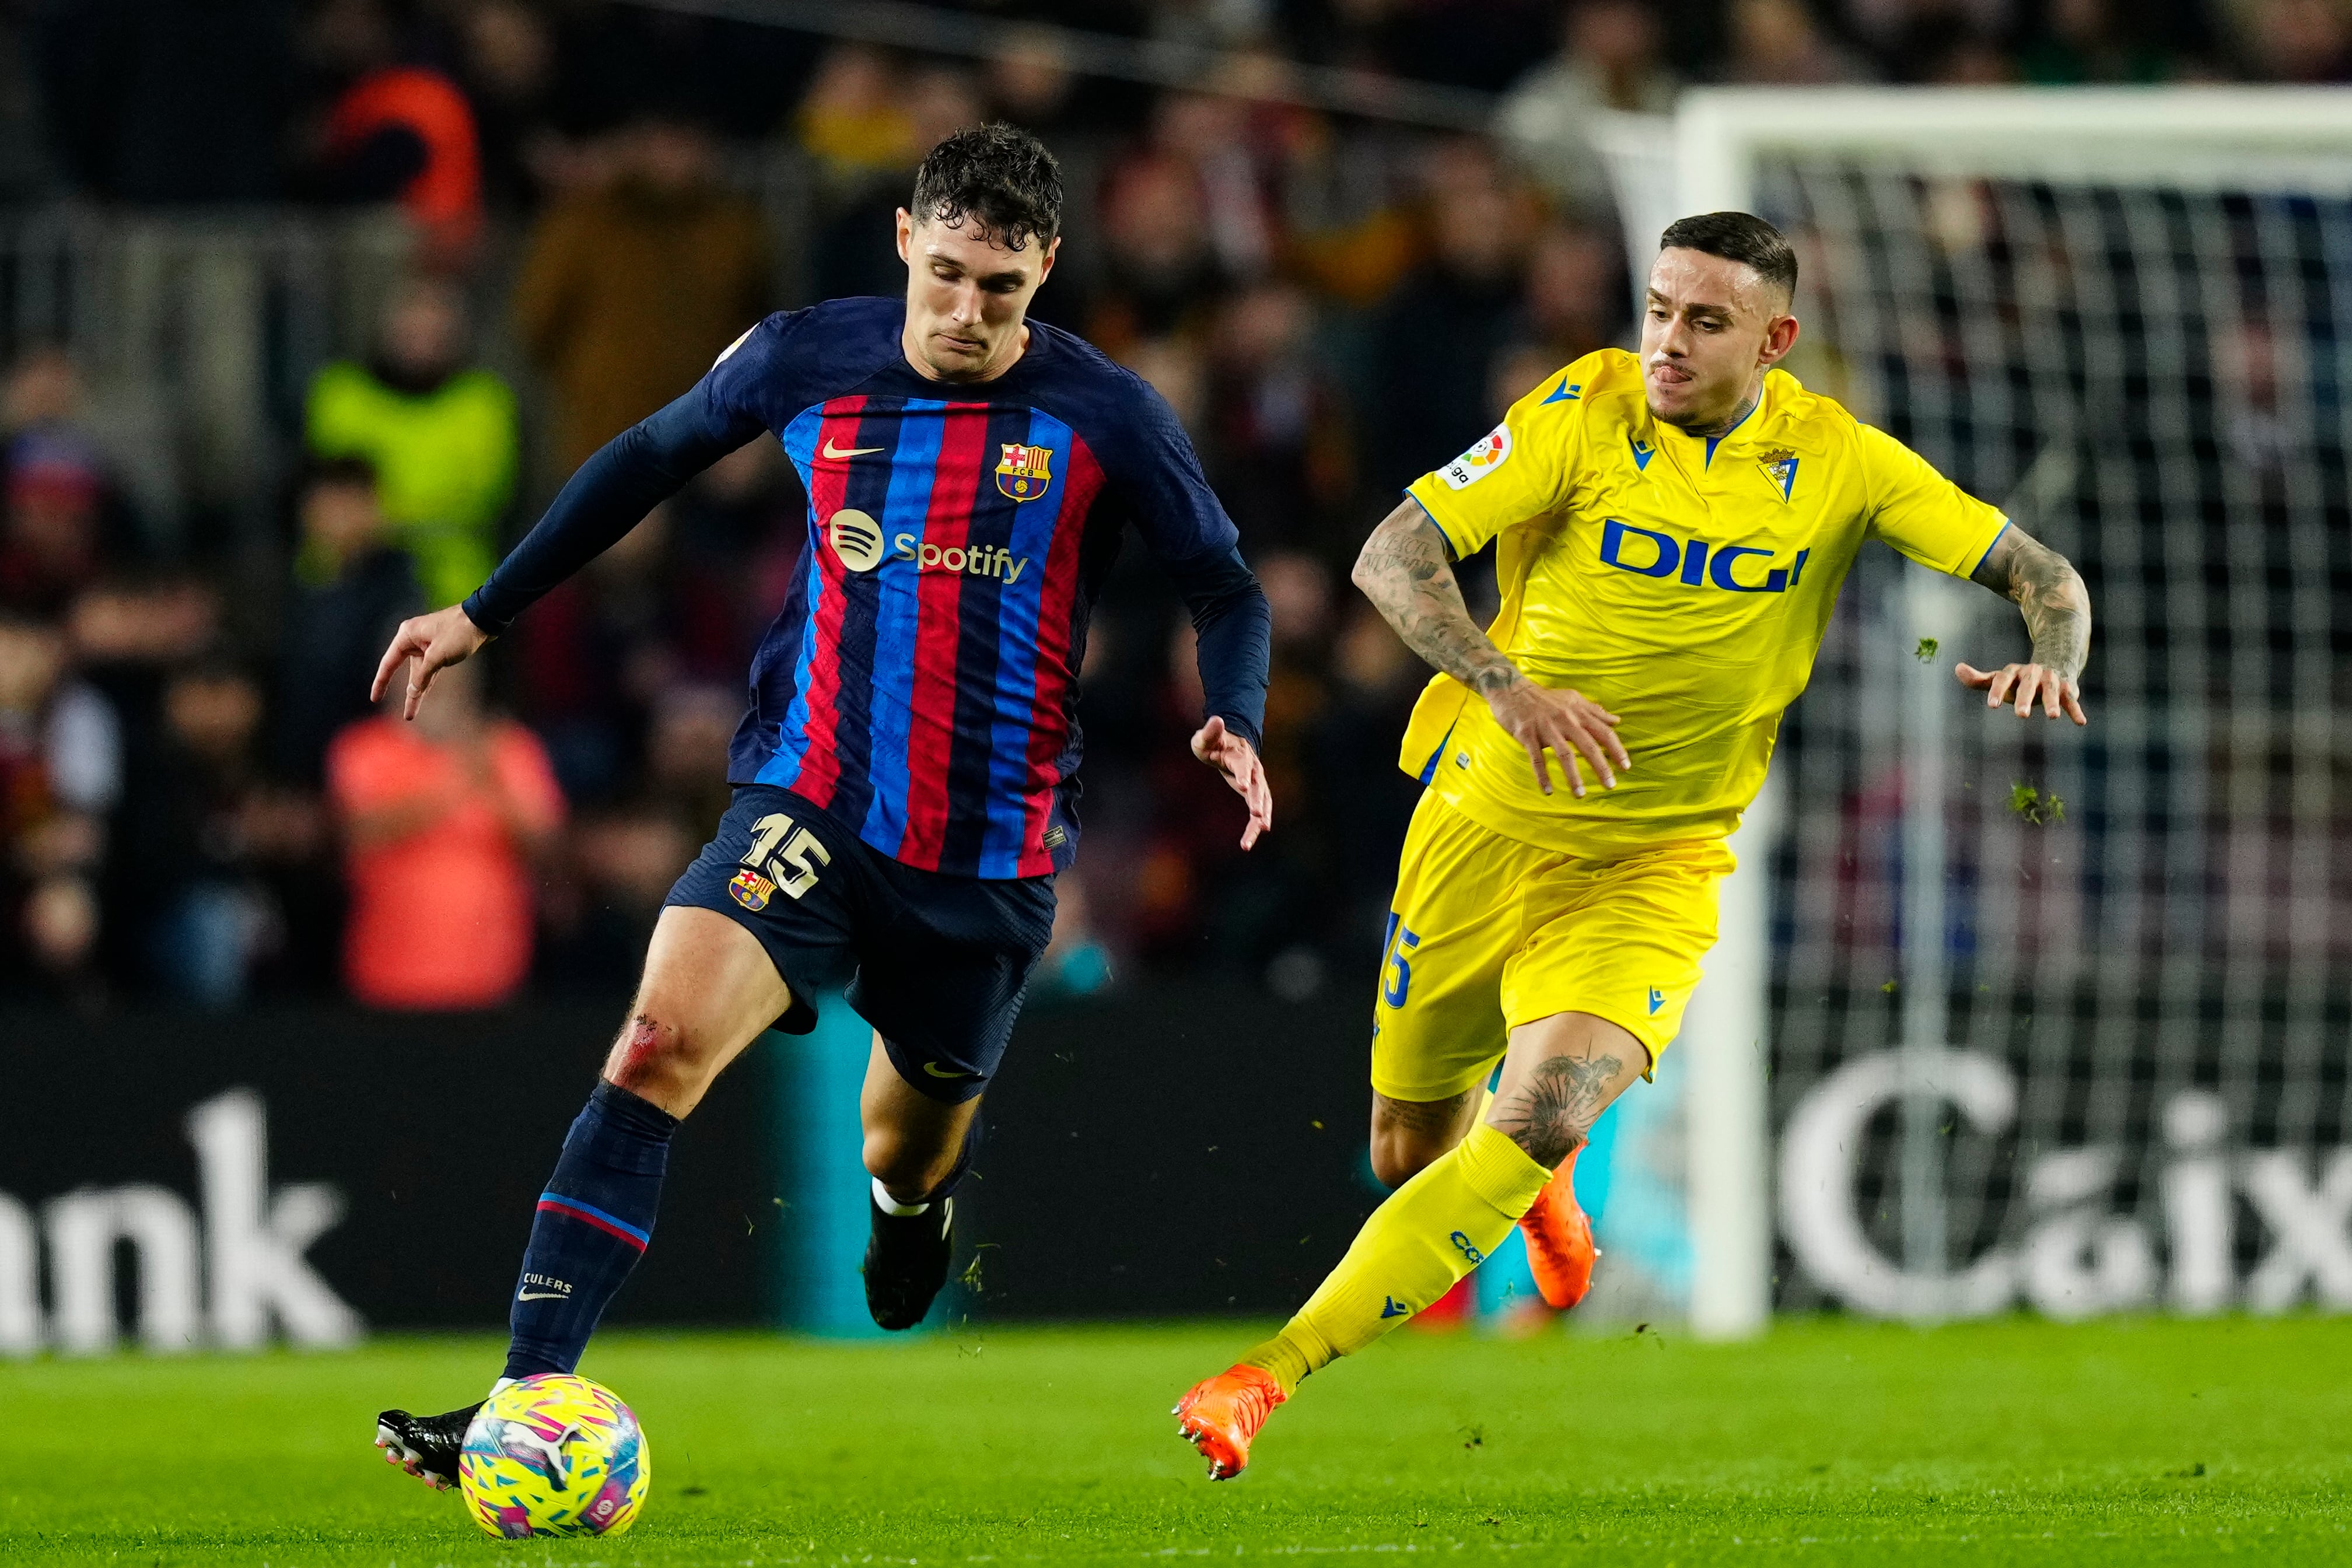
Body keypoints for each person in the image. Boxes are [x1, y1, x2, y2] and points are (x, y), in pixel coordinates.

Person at [370, 124, 1272, 1489]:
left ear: (1048, 275)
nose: (970, 315)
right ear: (906, 241)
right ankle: (523, 1402)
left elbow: (1229, 584)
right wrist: (483, 614)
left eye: (1004, 291)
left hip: (987, 859)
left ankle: (908, 1208)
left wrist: (1237, 716)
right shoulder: (802, 356)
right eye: (950, 275)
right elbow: (643, 458)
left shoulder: (1107, 416)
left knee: (904, 1151)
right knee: (657, 1042)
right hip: (811, 800)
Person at [1171, 211, 2094, 1479]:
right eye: (1658, 308)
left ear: (1775, 341)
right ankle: (1538, 1183)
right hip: (1483, 828)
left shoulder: (1842, 462)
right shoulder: (1581, 412)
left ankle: (1262, 1378)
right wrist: (1503, 683)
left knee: (1541, 1117)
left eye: (1704, 321)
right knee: (1406, 1153)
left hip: (1655, 864)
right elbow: (1396, 554)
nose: (1666, 339)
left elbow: (2047, 576)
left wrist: (2053, 662)